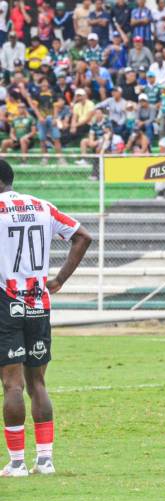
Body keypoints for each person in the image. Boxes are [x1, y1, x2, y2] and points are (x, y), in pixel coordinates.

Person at [0, 159, 92, 477]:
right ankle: (45, 460)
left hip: (6, 301)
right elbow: (83, 236)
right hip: (38, 301)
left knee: (12, 385)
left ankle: (16, 464)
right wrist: (60, 280)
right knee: (37, 382)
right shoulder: (42, 206)